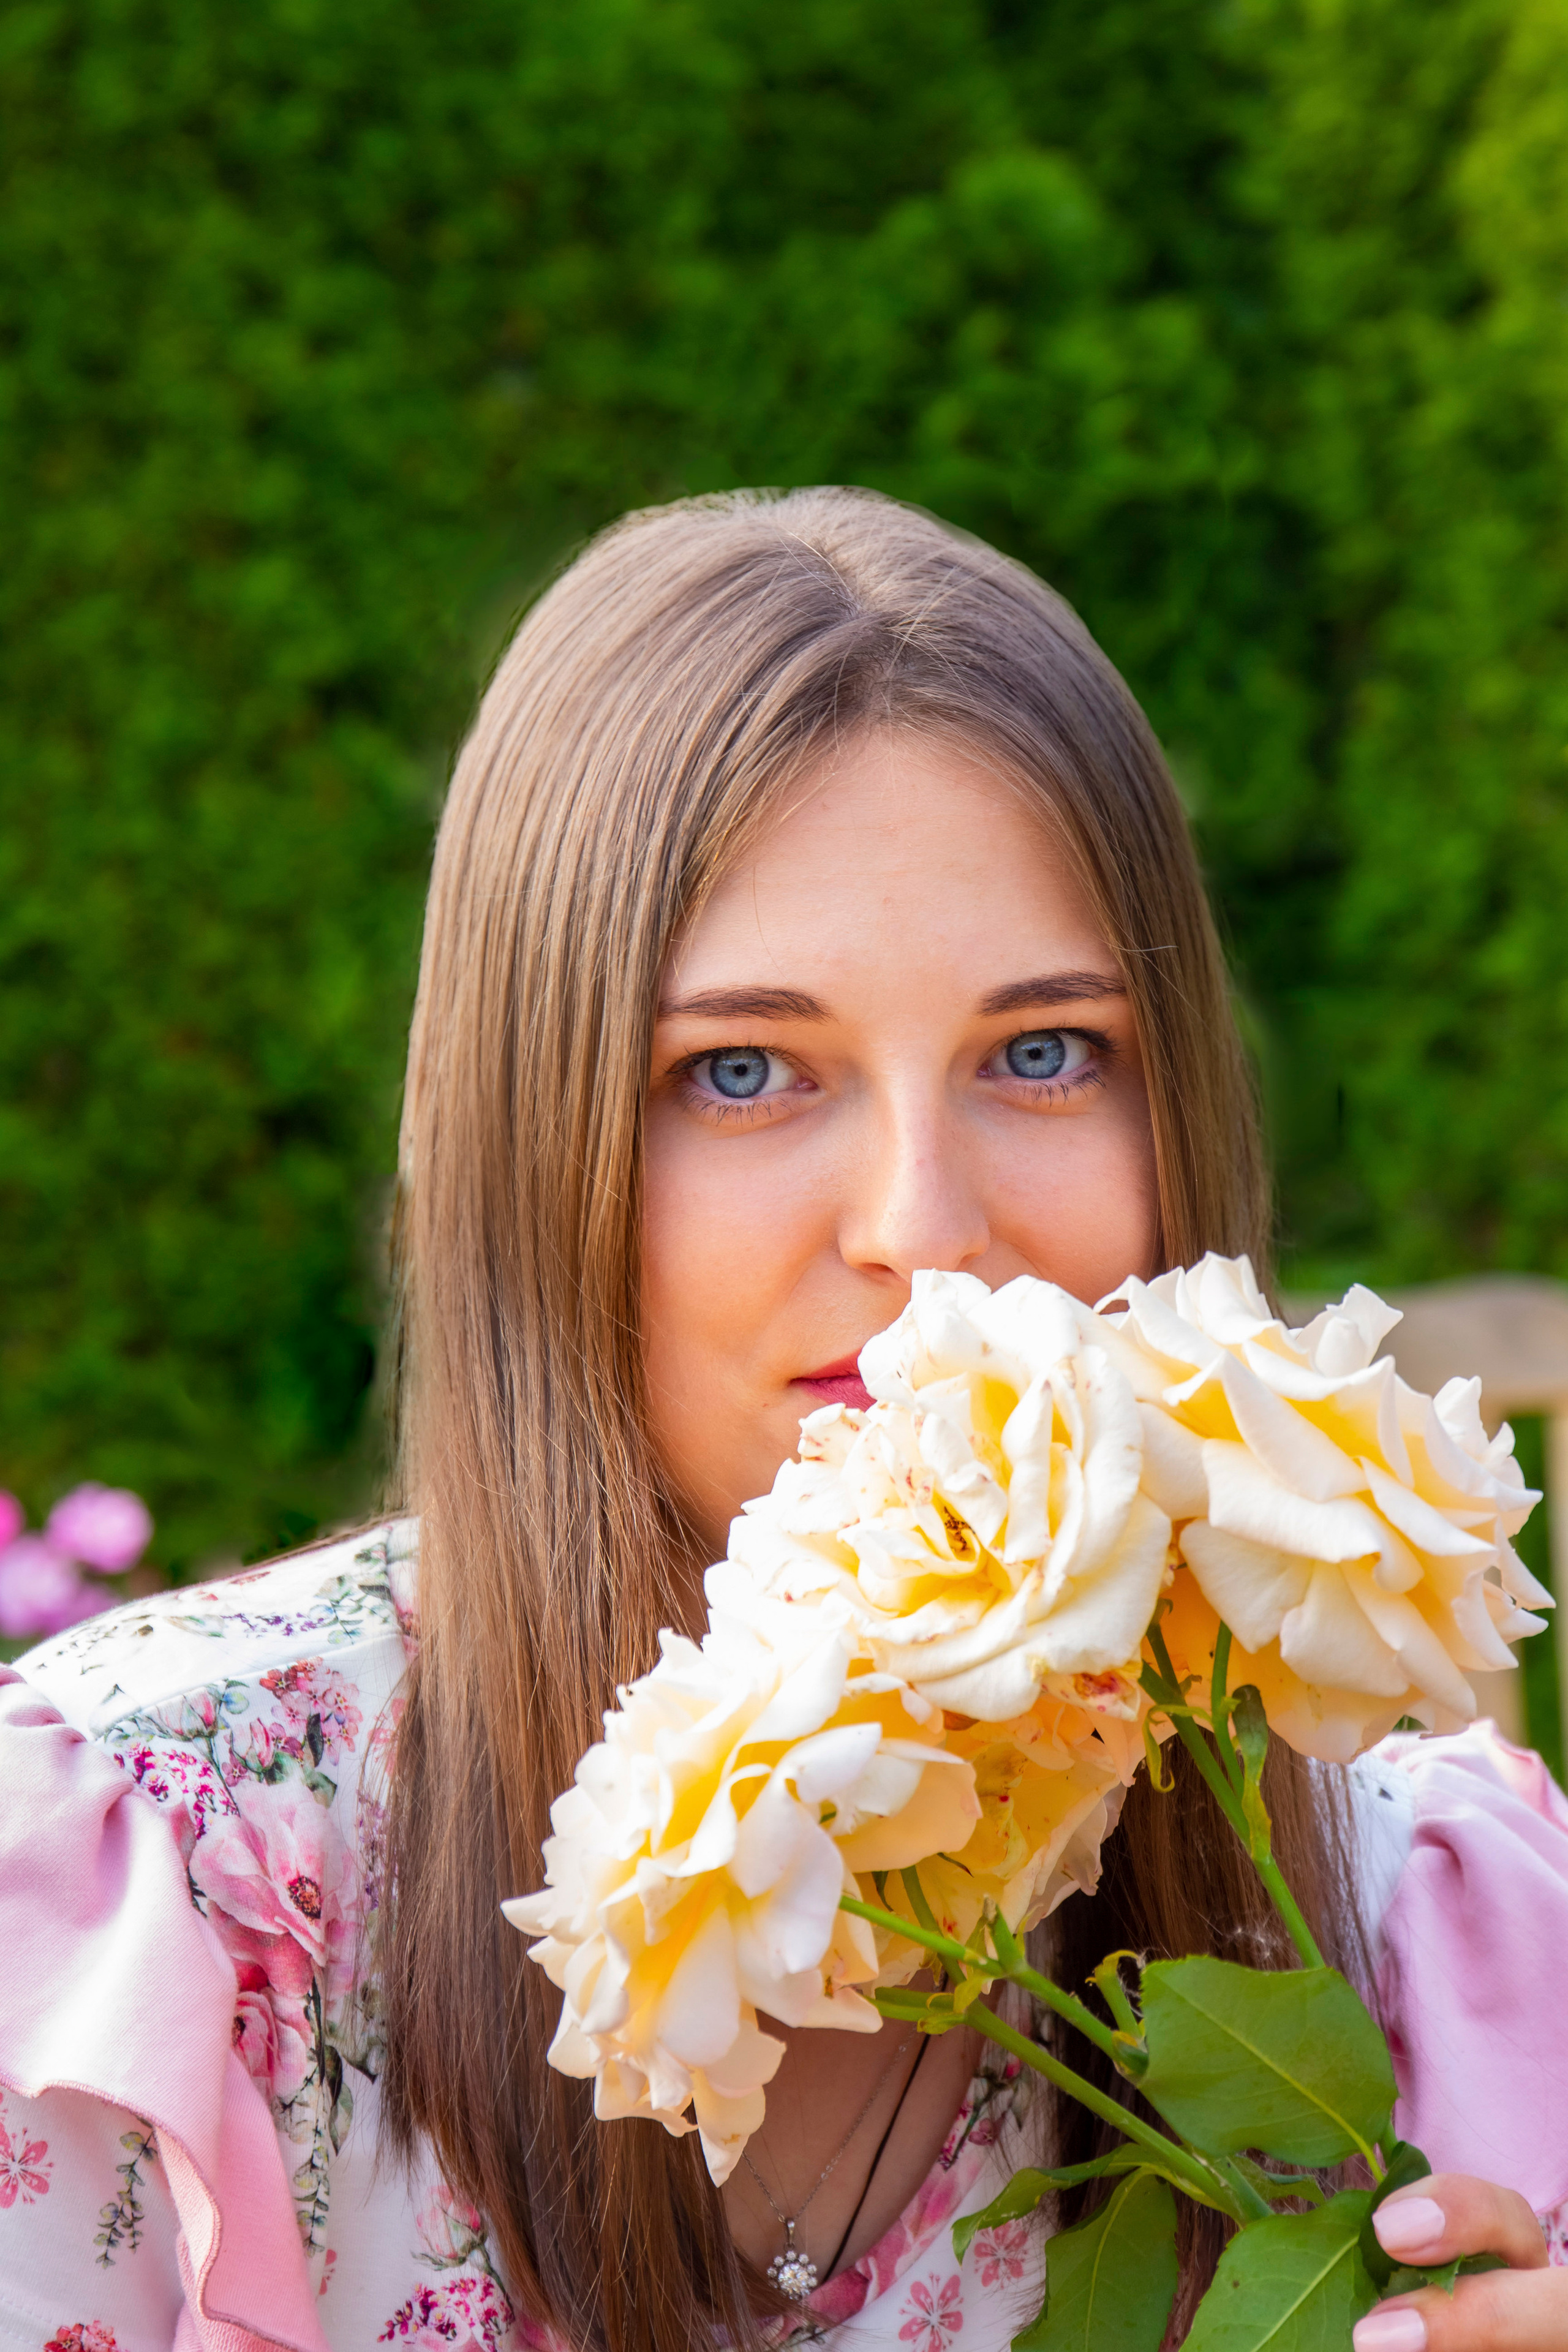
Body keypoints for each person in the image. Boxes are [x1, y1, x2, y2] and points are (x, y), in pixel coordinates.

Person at [1, 488, 1564, 2352]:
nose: (925, 1225)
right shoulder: (161, 1900)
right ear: (528, 1135)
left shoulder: (1402, 1945)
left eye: (1043, 1053)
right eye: (741, 1071)